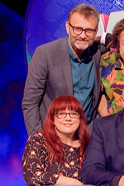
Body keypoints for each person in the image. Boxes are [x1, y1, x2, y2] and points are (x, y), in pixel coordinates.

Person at [22, 3, 107, 136]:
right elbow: (30, 103)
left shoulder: (96, 53)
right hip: (55, 138)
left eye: (89, 30)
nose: (83, 35)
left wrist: (105, 38)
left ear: (96, 31)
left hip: (88, 138)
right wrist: (38, 141)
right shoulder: (45, 54)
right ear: (67, 27)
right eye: (77, 29)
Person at [22, 95, 90, 186]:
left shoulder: (88, 144)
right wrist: (73, 183)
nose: (68, 118)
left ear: (80, 118)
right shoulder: (39, 140)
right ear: (53, 119)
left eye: (73, 114)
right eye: (61, 114)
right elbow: (32, 176)